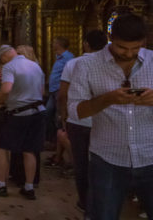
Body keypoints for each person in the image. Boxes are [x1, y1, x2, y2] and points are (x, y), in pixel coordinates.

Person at [68, 13, 153, 220]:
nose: (128, 54)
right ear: (111, 39)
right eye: (122, 48)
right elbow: (75, 111)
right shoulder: (87, 66)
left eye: (135, 48)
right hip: (107, 159)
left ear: (144, 42)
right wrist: (108, 99)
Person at [0, 44, 45, 201]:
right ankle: (29, 187)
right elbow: (42, 91)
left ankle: (1, 184)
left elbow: (6, 89)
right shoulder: (35, 66)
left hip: (18, 113)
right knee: (29, 149)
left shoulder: (10, 67)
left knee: (3, 148)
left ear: (3, 57)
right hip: (38, 112)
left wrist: (1, 102)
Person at [58, 29, 107, 215]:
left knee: (81, 163)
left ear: (86, 43)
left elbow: (63, 94)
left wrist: (63, 117)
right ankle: (103, 202)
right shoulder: (113, 63)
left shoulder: (74, 63)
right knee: (104, 164)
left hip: (78, 121)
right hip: (104, 121)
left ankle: (85, 202)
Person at [45, 36, 73, 140]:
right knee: (48, 114)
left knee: (59, 116)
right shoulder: (59, 57)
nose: (52, 44)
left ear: (59, 44)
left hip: (59, 90)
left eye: (54, 42)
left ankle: (59, 141)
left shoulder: (68, 58)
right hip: (53, 90)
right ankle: (53, 139)